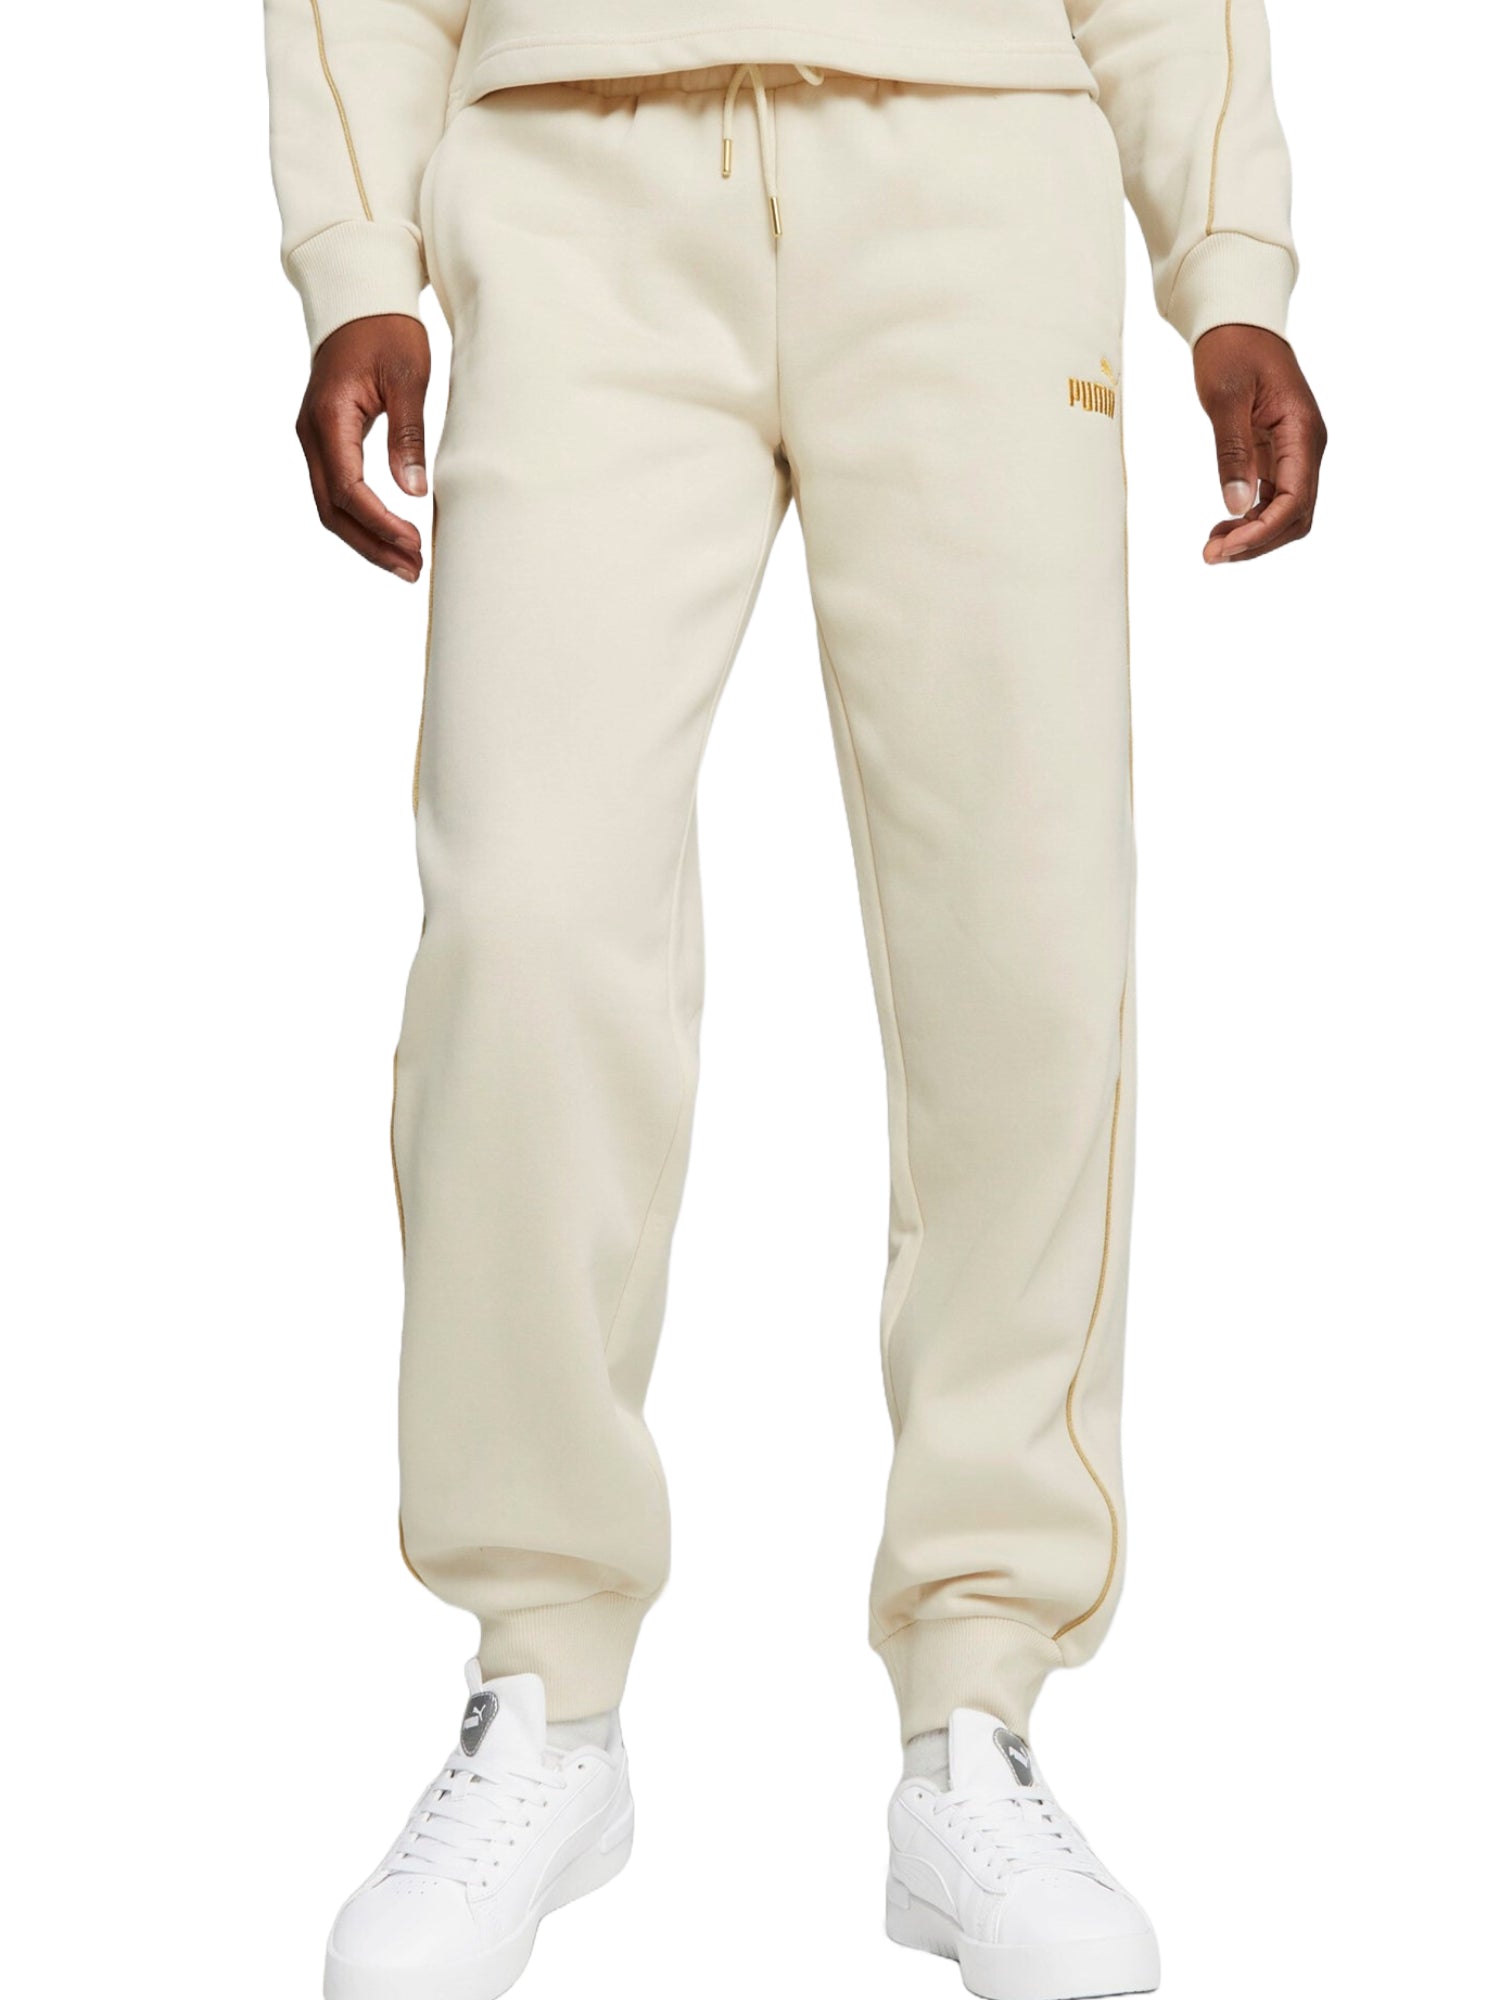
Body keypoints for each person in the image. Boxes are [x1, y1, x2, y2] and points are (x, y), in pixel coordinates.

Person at [265, 4, 1324, 1997]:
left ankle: (976, 1709)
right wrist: (353, 254)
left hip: (979, 162)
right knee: (525, 923)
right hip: (567, 178)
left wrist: (1229, 262)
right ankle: (544, 1686)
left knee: (1022, 935)